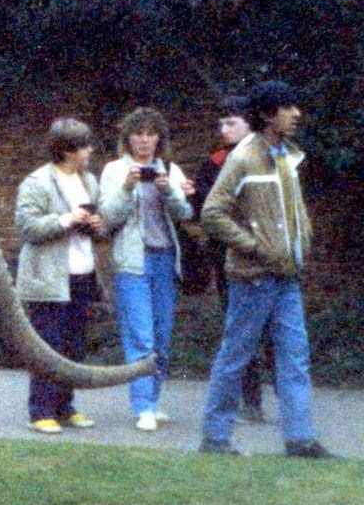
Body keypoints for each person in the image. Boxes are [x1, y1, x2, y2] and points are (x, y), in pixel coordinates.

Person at [195, 81, 336, 459]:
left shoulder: (289, 156)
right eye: (288, 108)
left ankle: (300, 440)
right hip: (253, 279)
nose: (296, 114)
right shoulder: (243, 158)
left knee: (294, 357)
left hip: (287, 277)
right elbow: (212, 212)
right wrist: (254, 247)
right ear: (268, 115)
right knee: (236, 355)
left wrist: (297, 244)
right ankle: (215, 438)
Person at [95, 106, 194, 431]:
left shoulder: (169, 169)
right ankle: (144, 407)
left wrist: (168, 190)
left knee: (162, 336)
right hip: (132, 262)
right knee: (140, 335)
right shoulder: (113, 170)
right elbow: (107, 218)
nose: (144, 140)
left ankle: (153, 398)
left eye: (151, 134)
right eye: (138, 133)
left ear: (159, 139)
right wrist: (126, 187)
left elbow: (185, 213)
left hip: (165, 259)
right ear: (128, 138)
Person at [14, 117, 109, 433]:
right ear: (68, 150)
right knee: (48, 345)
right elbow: (27, 228)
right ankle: (40, 411)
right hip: (49, 279)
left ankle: (65, 407)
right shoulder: (37, 182)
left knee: (75, 346)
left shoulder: (89, 181)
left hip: (82, 273)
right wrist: (67, 219)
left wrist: (96, 225)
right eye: (84, 146)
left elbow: (100, 226)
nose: (89, 151)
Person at [187, 99, 271, 423]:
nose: (224, 130)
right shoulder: (214, 162)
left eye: (231, 123)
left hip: (263, 252)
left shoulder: (266, 156)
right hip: (227, 256)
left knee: (271, 328)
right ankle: (251, 401)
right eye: (221, 123)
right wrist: (190, 195)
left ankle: (285, 395)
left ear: (250, 124)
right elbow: (201, 212)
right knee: (238, 327)